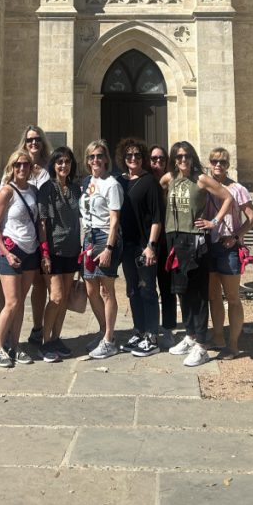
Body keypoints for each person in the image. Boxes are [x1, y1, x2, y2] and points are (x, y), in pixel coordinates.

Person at [160, 141, 233, 366]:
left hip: (194, 238)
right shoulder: (169, 178)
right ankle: (190, 336)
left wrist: (213, 221)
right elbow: (160, 189)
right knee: (182, 291)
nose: (183, 160)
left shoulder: (200, 179)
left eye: (187, 156)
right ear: (174, 159)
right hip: (173, 237)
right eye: (179, 156)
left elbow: (228, 197)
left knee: (198, 293)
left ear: (192, 158)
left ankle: (202, 344)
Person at [202, 147, 253, 357]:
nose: (218, 165)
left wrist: (235, 237)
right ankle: (217, 337)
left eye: (223, 162)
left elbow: (252, 218)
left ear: (228, 165)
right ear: (209, 163)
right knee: (213, 296)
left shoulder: (237, 189)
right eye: (215, 161)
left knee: (232, 297)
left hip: (228, 247)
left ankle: (233, 345)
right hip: (209, 246)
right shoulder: (205, 186)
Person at [0, 150, 41, 367]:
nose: (22, 168)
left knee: (20, 302)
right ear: (12, 167)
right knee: (11, 302)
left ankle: (15, 345)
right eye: (18, 164)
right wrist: (6, 253)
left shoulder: (33, 190)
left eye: (26, 165)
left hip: (30, 251)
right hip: (11, 251)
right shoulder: (6, 192)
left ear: (31, 168)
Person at [116, 137, 164, 357]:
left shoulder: (149, 182)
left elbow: (156, 217)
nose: (133, 158)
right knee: (133, 289)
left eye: (137, 155)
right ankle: (139, 330)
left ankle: (152, 336)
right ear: (123, 158)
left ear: (143, 158)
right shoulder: (121, 181)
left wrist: (151, 246)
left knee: (147, 290)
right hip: (127, 245)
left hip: (144, 246)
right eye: (129, 155)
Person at [37, 146, 83, 362]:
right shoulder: (47, 189)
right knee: (55, 297)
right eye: (59, 162)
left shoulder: (76, 189)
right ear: (53, 165)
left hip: (72, 250)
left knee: (64, 298)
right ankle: (45, 343)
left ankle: (56, 338)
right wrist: (44, 253)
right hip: (53, 251)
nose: (63, 166)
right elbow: (43, 222)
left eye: (67, 162)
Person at [80, 139, 123, 359]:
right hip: (89, 238)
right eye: (91, 156)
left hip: (105, 236)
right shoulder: (87, 182)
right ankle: (103, 330)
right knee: (90, 289)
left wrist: (109, 247)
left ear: (106, 159)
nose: (95, 160)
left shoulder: (112, 184)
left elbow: (115, 219)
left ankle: (109, 339)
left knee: (106, 291)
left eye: (99, 156)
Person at [15, 125, 52, 348]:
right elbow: (4, 193)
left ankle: (37, 329)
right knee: (13, 286)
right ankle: (10, 330)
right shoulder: (15, 165)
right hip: (19, 235)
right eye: (30, 140)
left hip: (42, 232)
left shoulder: (48, 167)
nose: (34, 143)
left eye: (37, 139)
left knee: (39, 283)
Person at [148, 144, 176, 331]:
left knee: (167, 288)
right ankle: (148, 328)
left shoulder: (173, 184)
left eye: (161, 159)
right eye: (154, 159)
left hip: (166, 243)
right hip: (148, 244)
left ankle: (168, 327)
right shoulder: (144, 182)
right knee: (147, 289)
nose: (158, 162)